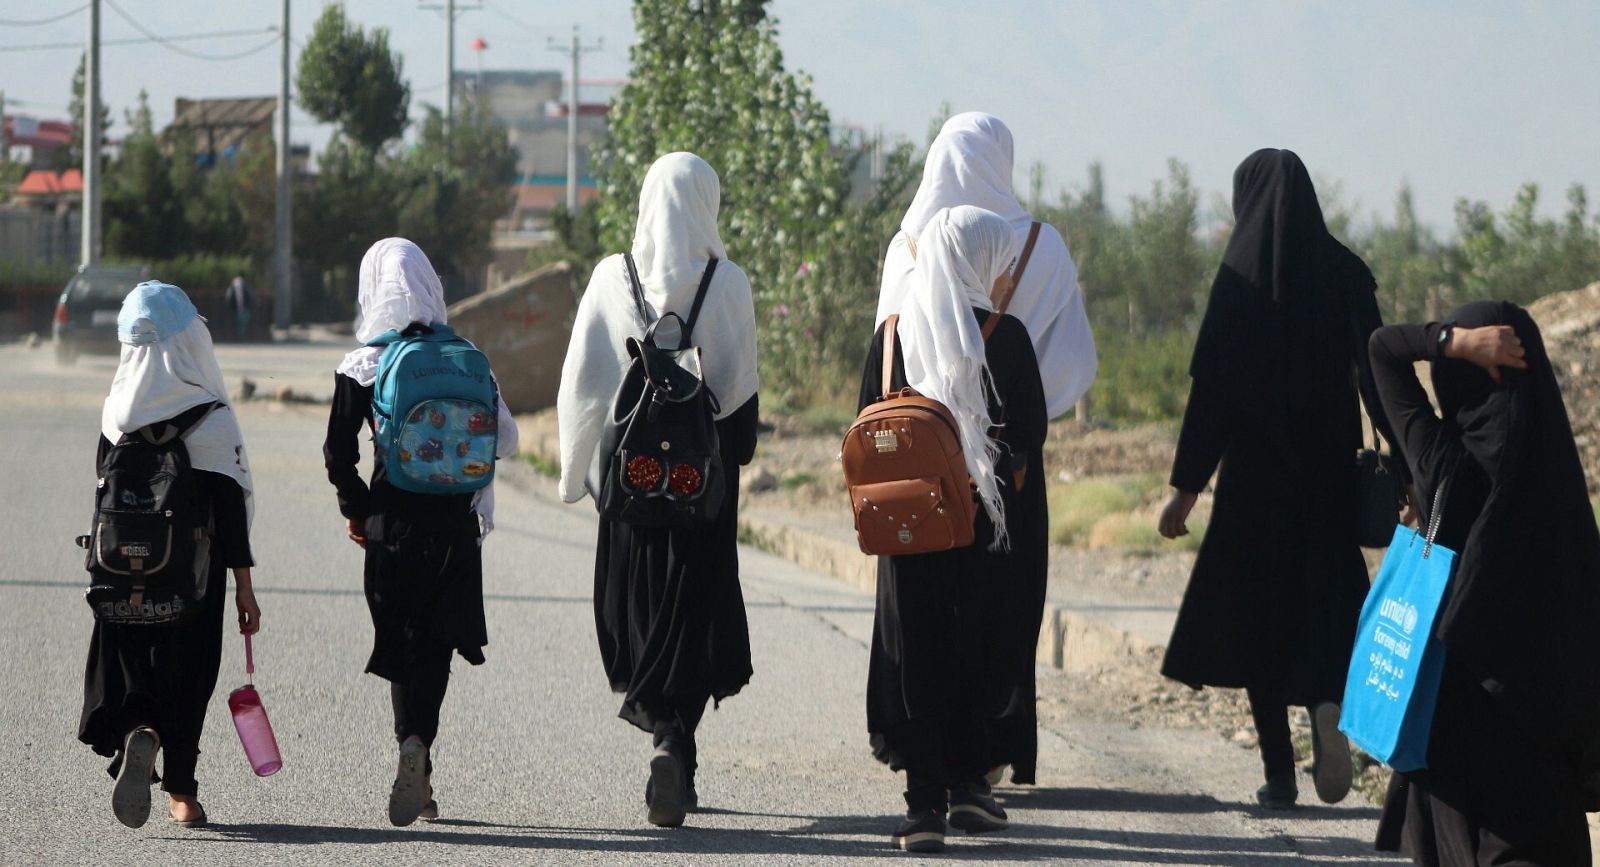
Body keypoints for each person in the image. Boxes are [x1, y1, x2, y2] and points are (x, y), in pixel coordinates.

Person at [1156, 148, 1401, 810]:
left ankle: (1280, 773)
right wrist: (1408, 461)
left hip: (1253, 485)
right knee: (1324, 603)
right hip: (1325, 477)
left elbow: (1212, 394)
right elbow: (1379, 372)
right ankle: (1325, 701)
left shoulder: (1240, 278)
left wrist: (1186, 486)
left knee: (1258, 617)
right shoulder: (1346, 272)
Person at [875, 111, 1096, 787]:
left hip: (917, 467)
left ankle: (922, 755)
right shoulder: (1042, 247)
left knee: (917, 607)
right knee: (1000, 605)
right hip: (1009, 469)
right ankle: (986, 753)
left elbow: (887, 361)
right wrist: (1006, 419)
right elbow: (1068, 364)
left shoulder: (905, 246)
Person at [556, 152, 759, 829]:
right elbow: (741, 411)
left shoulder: (611, 277)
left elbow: (583, 383)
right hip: (703, 491)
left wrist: (574, 472)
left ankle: (669, 743)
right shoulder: (728, 283)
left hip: (633, 492)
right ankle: (678, 744)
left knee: (643, 615)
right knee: (695, 617)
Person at [1368, 301, 1600, 866]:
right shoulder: (1560, 491)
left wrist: (1450, 341)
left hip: (1447, 729)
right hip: (1538, 751)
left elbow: (1381, 350)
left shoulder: (1441, 458)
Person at [862, 205, 1048, 853]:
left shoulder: (890, 336)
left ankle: (923, 809)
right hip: (982, 528)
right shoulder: (1009, 335)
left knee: (917, 650)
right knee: (977, 644)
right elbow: (1030, 435)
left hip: (907, 530)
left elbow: (867, 418)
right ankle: (972, 782)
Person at [324, 238, 519, 827]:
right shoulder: (464, 354)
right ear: (431, 285)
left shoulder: (364, 363)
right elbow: (505, 440)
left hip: (393, 525)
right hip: (456, 527)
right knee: (435, 648)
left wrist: (356, 510)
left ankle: (411, 747)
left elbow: (338, 453)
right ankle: (422, 755)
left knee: (404, 645)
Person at [79, 280, 261, 829]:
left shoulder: (118, 412)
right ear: (191, 340)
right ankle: (182, 793)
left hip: (120, 570)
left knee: (131, 660)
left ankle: (140, 732)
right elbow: (230, 517)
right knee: (189, 676)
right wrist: (246, 593)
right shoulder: (211, 418)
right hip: (194, 580)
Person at [223, 275, 253, 341]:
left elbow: (250, 298)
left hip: (244, 309)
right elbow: (228, 299)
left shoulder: (245, 288)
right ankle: (239, 337)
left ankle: (241, 336)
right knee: (237, 323)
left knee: (243, 323)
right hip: (235, 310)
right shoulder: (232, 290)